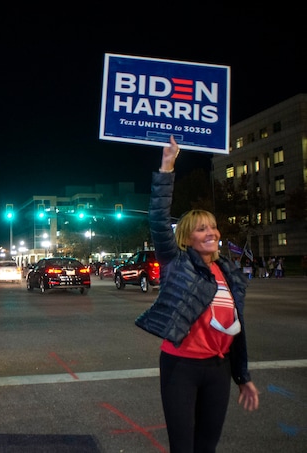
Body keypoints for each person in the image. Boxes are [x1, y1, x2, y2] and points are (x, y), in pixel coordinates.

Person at [135, 136, 260, 453]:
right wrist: (167, 166)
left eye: (214, 227)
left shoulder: (227, 272)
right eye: (203, 228)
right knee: (184, 446)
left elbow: (237, 328)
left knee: (207, 445)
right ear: (187, 237)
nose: (212, 233)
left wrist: (242, 376)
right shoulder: (176, 263)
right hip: (181, 367)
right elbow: (158, 219)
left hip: (218, 370)